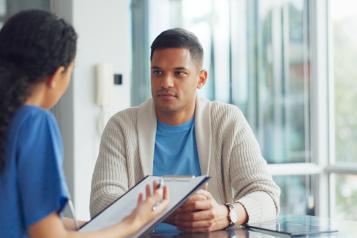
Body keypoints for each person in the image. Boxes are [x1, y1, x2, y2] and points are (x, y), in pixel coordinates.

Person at [90, 28, 280, 233]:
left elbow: (267, 196)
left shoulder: (227, 121)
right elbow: (101, 203)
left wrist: (226, 214)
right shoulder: (121, 126)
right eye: (157, 72)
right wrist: (170, 211)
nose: (166, 82)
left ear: (201, 79)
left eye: (179, 73)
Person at [0, 10, 169, 238]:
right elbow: (49, 236)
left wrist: (87, 225)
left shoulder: (11, 118)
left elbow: (22, 218)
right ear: (57, 75)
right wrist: (133, 223)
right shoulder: (35, 122)